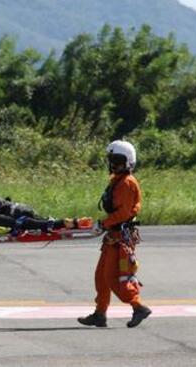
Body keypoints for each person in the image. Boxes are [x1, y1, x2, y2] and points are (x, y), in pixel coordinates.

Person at [78, 140, 151, 328]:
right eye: (112, 160)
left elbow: (124, 213)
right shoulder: (117, 181)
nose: (113, 164)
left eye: (117, 160)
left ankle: (138, 307)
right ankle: (100, 313)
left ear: (127, 161)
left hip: (121, 238)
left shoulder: (127, 183)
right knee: (100, 276)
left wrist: (103, 223)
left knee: (113, 278)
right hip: (113, 235)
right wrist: (105, 225)